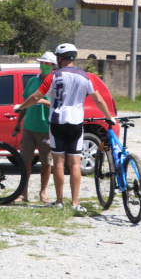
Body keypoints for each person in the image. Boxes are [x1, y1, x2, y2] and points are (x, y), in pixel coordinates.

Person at [15, 43, 115, 213]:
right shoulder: (86, 76)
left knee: (59, 162)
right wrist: (108, 116)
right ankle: (75, 203)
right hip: (76, 122)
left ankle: (59, 200)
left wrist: (21, 106)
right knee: (75, 162)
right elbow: (98, 99)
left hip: (57, 122)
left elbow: (36, 96)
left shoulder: (53, 76)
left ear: (60, 59)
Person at [13, 52, 56, 204]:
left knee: (46, 162)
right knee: (25, 161)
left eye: (47, 64)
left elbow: (59, 105)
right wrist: (19, 122)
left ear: (53, 66)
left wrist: (44, 102)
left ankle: (43, 193)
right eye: (42, 63)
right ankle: (23, 193)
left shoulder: (55, 82)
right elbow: (26, 102)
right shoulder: (32, 81)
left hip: (46, 128)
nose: (43, 66)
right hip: (29, 127)